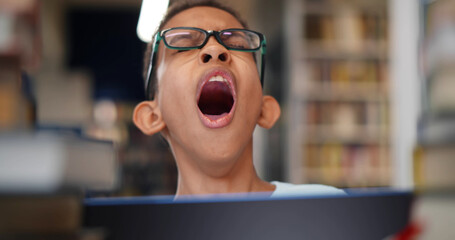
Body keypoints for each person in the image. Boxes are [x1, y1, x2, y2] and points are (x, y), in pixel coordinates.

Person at [133, 0, 344, 198]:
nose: (215, 49)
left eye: (238, 45)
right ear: (151, 117)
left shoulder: (326, 208)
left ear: (265, 110)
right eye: (183, 45)